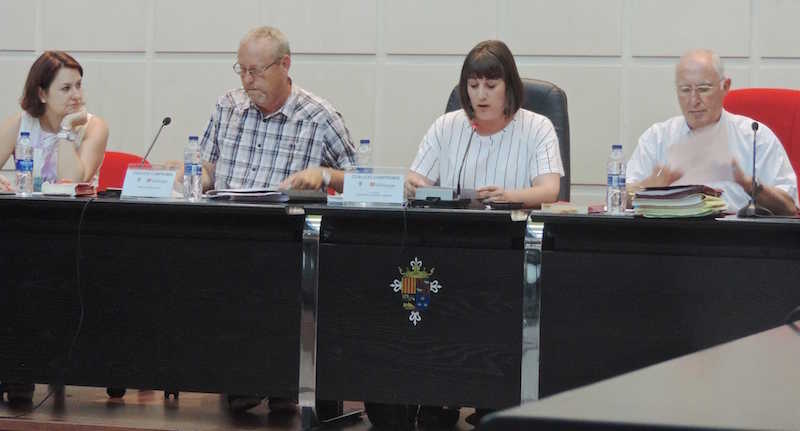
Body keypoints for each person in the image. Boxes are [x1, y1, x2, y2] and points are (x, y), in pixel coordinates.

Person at [627, 48, 798, 215]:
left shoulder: (755, 137)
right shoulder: (657, 137)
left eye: (703, 89)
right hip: (669, 231)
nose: (693, 100)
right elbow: (620, 198)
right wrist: (650, 187)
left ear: (725, 86)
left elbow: (790, 207)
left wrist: (747, 183)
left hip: (736, 231)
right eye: (685, 90)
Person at [405, 40, 563, 208]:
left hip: (513, 222)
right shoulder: (444, 126)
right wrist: (412, 186)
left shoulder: (538, 128)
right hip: (454, 223)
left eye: (491, 86)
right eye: (473, 85)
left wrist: (508, 197)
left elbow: (549, 191)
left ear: (509, 87)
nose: (481, 95)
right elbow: (416, 179)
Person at [198, 26, 356, 193]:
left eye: (255, 71)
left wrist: (325, 175)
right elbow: (208, 171)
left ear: (284, 64)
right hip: (225, 209)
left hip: (285, 210)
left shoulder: (319, 117)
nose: (247, 79)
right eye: (242, 70)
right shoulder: (227, 106)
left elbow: (362, 184)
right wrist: (188, 174)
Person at [0, 51, 108, 192]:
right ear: (42, 94)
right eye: (66, 88)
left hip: (76, 206)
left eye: (78, 85)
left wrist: (66, 128)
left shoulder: (95, 127)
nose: (77, 95)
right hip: (27, 206)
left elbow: (71, 184)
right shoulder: (20, 124)